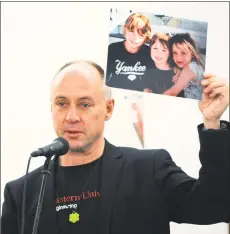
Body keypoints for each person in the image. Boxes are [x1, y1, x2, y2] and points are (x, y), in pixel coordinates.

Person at [1, 60, 229, 234]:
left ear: (109, 109)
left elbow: (214, 206)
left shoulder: (148, 170)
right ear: (51, 108)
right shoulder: (22, 193)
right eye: (61, 104)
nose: (72, 116)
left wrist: (212, 124)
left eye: (85, 104)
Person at [106, 12, 154, 92]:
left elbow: (157, 76)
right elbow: (103, 76)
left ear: (146, 37)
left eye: (141, 35)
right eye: (132, 31)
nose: (135, 38)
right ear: (125, 29)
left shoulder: (149, 53)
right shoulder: (113, 49)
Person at [163, 33, 205, 100]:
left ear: (192, 54)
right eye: (175, 53)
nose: (178, 57)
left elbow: (171, 93)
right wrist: (180, 71)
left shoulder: (190, 68)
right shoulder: (195, 65)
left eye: (183, 53)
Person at [142, 32, 184, 97]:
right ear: (150, 48)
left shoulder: (176, 75)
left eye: (164, 50)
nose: (158, 53)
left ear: (170, 53)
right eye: (155, 48)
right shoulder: (147, 66)